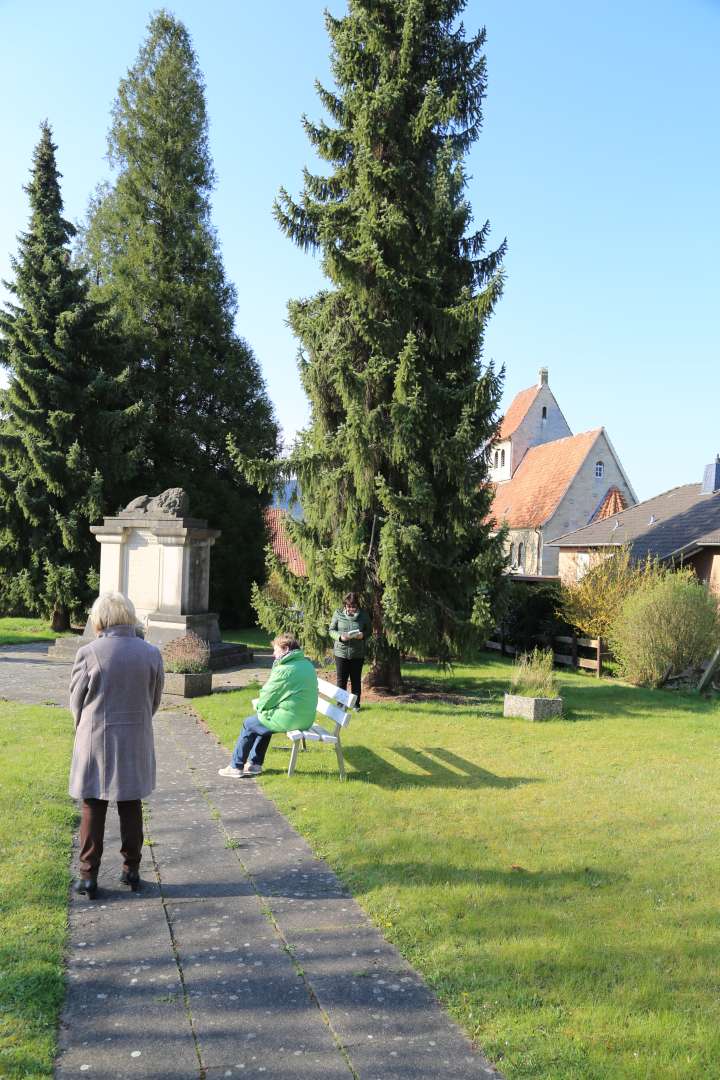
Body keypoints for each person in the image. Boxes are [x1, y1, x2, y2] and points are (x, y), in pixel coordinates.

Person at [68, 592, 164, 900]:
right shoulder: (151, 652)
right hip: (135, 737)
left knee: (92, 805)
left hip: (96, 737)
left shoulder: (89, 651)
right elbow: (155, 698)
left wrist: (84, 726)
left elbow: (76, 701)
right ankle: (131, 870)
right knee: (131, 803)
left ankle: (87, 876)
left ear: (100, 618)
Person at [218, 632, 318, 778]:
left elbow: (268, 695)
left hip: (293, 718)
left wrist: (259, 706)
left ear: (286, 649)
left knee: (249, 723)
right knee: (263, 721)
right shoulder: (305, 664)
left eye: (276, 650)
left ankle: (236, 766)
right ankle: (254, 764)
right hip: (305, 717)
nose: (273, 654)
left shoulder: (285, 670)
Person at [329, 592, 371, 708]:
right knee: (341, 680)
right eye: (349, 606)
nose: (351, 609)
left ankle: (355, 705)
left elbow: (369, 631)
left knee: (356, 680)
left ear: (357, 605)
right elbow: (331, 630)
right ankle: (340, 705)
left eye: (354, 606)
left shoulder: (363, 615)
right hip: (341, 653)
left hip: (357, 654)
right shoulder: (338, 614)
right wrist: (340, 637)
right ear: (345, 605)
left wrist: (362, 635)